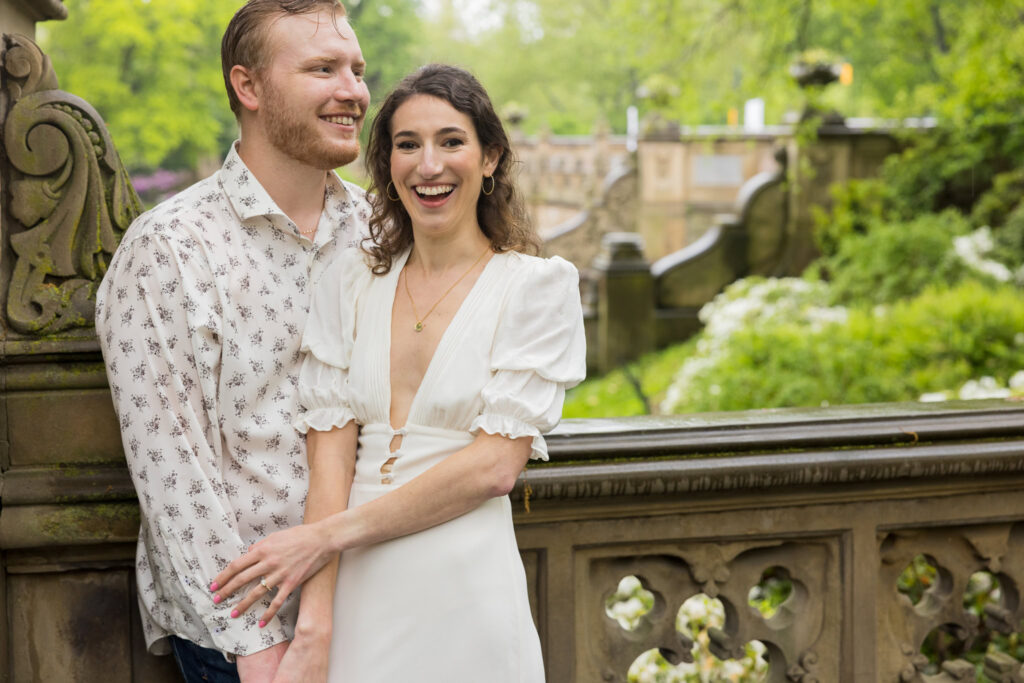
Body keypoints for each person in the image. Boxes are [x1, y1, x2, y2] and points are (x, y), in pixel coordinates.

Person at [210, 63, 586, 682]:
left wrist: (323, 538)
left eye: (451, 141)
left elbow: (494, 468)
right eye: (407, 145)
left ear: (490, 157)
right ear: (386, 164)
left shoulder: (536, 289)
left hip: (467, 590)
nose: (428, 165)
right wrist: (314, 629)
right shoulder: (350, 283)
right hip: (359, 591)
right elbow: (329, 462)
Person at [94, 1, 370, 681]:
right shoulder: (170, 249)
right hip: (248, 641)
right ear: (248, 87)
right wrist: (255, 650)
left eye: (358, 69)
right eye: (322, 68)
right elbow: (174, 475)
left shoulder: (376, 232)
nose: (354, 91)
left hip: (377, 606)